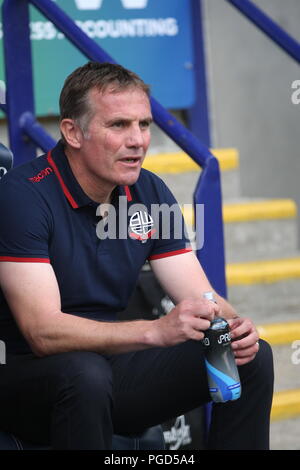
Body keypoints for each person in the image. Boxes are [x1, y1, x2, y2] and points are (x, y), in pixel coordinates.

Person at [0, 62, 273, 450]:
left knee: (251, 357)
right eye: (119, 125)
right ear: (72, 132)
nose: (138, 140)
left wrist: (233, 324)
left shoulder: (148, 190)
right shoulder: (22, 195)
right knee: (85, 373)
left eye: (144, 125)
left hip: (106, 368)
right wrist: (155, 331)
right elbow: (42, 333)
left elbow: (201, 296)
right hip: (22, 375)